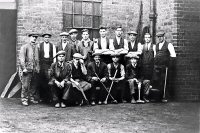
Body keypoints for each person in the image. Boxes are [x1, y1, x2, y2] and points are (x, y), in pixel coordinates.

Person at [153, 31, 176, 102]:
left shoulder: (169, 45)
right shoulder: (156, 46)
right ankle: (157, 97)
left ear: (164, 37)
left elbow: (173, 56)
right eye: (158, 37)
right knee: (157, 81)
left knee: (164, 82)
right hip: (157, 67)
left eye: (161, 37)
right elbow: (155, 56)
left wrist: (169, 66)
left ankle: (165, 97)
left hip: (164, 67)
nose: (160, 38)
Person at [19, 33, 40, 106]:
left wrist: (38, 68)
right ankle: (24, 99)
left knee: (34, 85)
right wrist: (24, 68)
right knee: (25, 85)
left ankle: (31, 98)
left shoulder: (37, 47)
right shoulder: (25, 47)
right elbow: (21, 59)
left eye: (35, 37)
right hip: (27, 69)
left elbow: (37, 59)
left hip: (35, 69)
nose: (34, 38)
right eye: (33, 37)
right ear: (29, 37)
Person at [38, 33, 56, 103]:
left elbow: (54, 56)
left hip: (49, 63)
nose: (47, 38)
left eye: (48, 37)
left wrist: (53, 65)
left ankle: (49, 98)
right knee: (42, 80)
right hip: (42, 64)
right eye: (45, 37)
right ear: (43, 38)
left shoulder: (52, 46)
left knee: (49, 79)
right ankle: (42, 98)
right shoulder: (40, 45)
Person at [140, 33, 156, 102]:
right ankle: (144, 96)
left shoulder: (154, 46)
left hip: (151, 67)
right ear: (144, 38)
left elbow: (155, 56)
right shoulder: (142, 46)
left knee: (151, 82)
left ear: (150, 38)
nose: (147, 39)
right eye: (146, 37)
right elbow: (140, 56)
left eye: (148, 37)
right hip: (143, 67)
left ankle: (149, 97)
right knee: (145, 81)